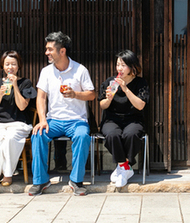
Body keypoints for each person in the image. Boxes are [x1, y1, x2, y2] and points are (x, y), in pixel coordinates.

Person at [29, 32, 96, 196]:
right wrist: (42, 120)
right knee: (37, 134)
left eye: (50, 49)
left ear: (62, 51)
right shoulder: (46, 72)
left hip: (76, 120)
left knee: (82, 136)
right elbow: (41, 97)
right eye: (46, 49)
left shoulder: (80, 70)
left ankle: (76, 180)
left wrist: (76, 95)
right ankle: (40, 180)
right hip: (54, 120)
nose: (46, 53)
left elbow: (92, 94)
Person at [0, 51, 37, 187]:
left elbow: (22, 106)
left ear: (18, 66)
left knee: (10, 139)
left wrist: (15, 86)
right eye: (7, 64)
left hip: (18, 123)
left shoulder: (25, 82)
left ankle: (7, 174)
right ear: (2, 66)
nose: (10, 67)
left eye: (13, 64)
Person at [98, 50, 149, 187]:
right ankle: (125, 167)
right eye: (118, 64)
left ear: (132, 67)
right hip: (112, 119)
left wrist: (125, 89)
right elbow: (102, 105)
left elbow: (140, 105)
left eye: (123, 65)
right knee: (112, 134)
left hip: (133, 119)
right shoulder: (110, 82)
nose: (119, 68)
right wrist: (108, 98)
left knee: (131, 134)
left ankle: (122, 168)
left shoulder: (140, 83)